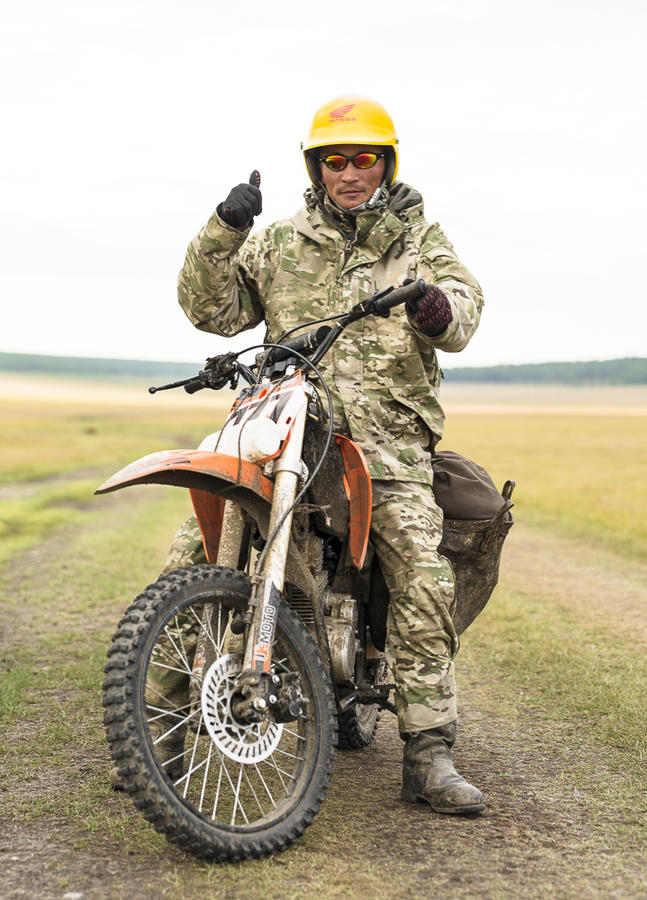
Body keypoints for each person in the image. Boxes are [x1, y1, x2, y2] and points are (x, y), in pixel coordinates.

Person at [170, 94, 484, 814]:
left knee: (422, 569)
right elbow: (209, 312)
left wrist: (436, 307)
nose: (350, 172)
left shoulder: (419, 239)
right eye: (335, 160)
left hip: (387, 441)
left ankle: (429, 753)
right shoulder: (278, 241)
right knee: (194, 547)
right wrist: (225, 228)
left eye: (363, 158)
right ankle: (161, 737)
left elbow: (464, 312)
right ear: (316, 167)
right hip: (285, 426)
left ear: (386, 162)